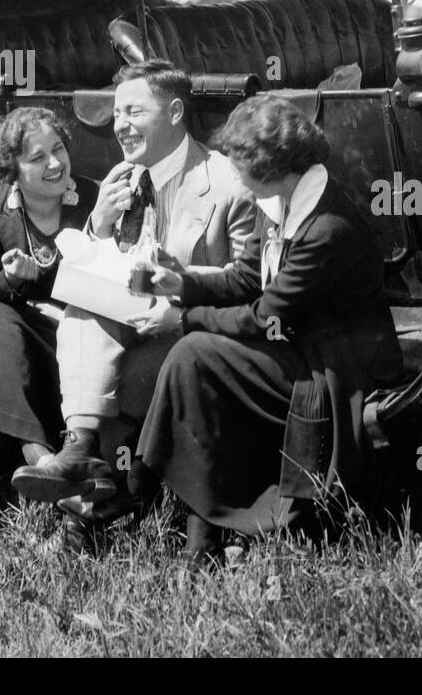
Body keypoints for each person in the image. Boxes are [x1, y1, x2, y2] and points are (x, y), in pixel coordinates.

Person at [131, 94, 404, 565]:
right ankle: (199, 528)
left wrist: (182, 320)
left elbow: (265, 317)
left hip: (339, 369)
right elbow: (246, 280)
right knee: (196, 360)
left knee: (194, 353)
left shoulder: (327, 226)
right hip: (301, 345)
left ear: (271, 165)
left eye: (240, 164)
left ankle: (142, 490)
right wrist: (186, 284)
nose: (233, 173)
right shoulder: (279, 201)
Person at [10, 60, 254, 517]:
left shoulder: (226, 184)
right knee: (84, 314)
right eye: (117, 114)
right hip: (131, 318)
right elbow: (110, 269)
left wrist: (179, 287)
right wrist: (99, 222)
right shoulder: (126, 178)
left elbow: (249, 284)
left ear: (176, 112)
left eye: (134, 113)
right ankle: (85, 457)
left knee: (106, 354)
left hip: (191, 329)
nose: (120, 126)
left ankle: (87, 497)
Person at [0, 107, 99, 526]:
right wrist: (11, 279)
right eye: (37, 158)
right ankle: (42, 459)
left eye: (58, 150)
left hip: (79, 343)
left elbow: (104, 285)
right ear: (12, 171)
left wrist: (42, 279)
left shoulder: (90, 199)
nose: (55, 164)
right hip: (20, 349)